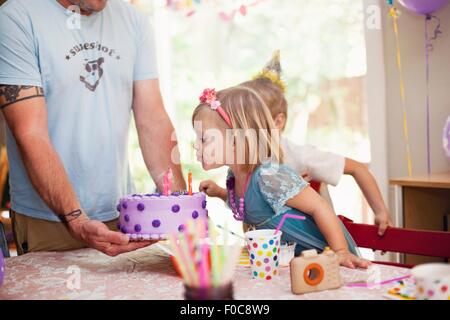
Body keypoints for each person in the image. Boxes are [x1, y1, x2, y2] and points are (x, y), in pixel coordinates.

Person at [0, 0, 185, 256]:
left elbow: (153, 118)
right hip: (49, 218)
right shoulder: (16, 17)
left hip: (121, 214)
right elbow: (30, 134)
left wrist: (181, 206)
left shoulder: (135, 22)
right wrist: (78, 220)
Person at [192, 87, 370, 269]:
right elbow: (250, 205)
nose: (195, 145)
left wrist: (340, 251)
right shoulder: (234, 177)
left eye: (203, 138)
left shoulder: (268, 176)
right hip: (292, 264)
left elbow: (320, 206)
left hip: (325, 259)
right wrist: (222, 193)